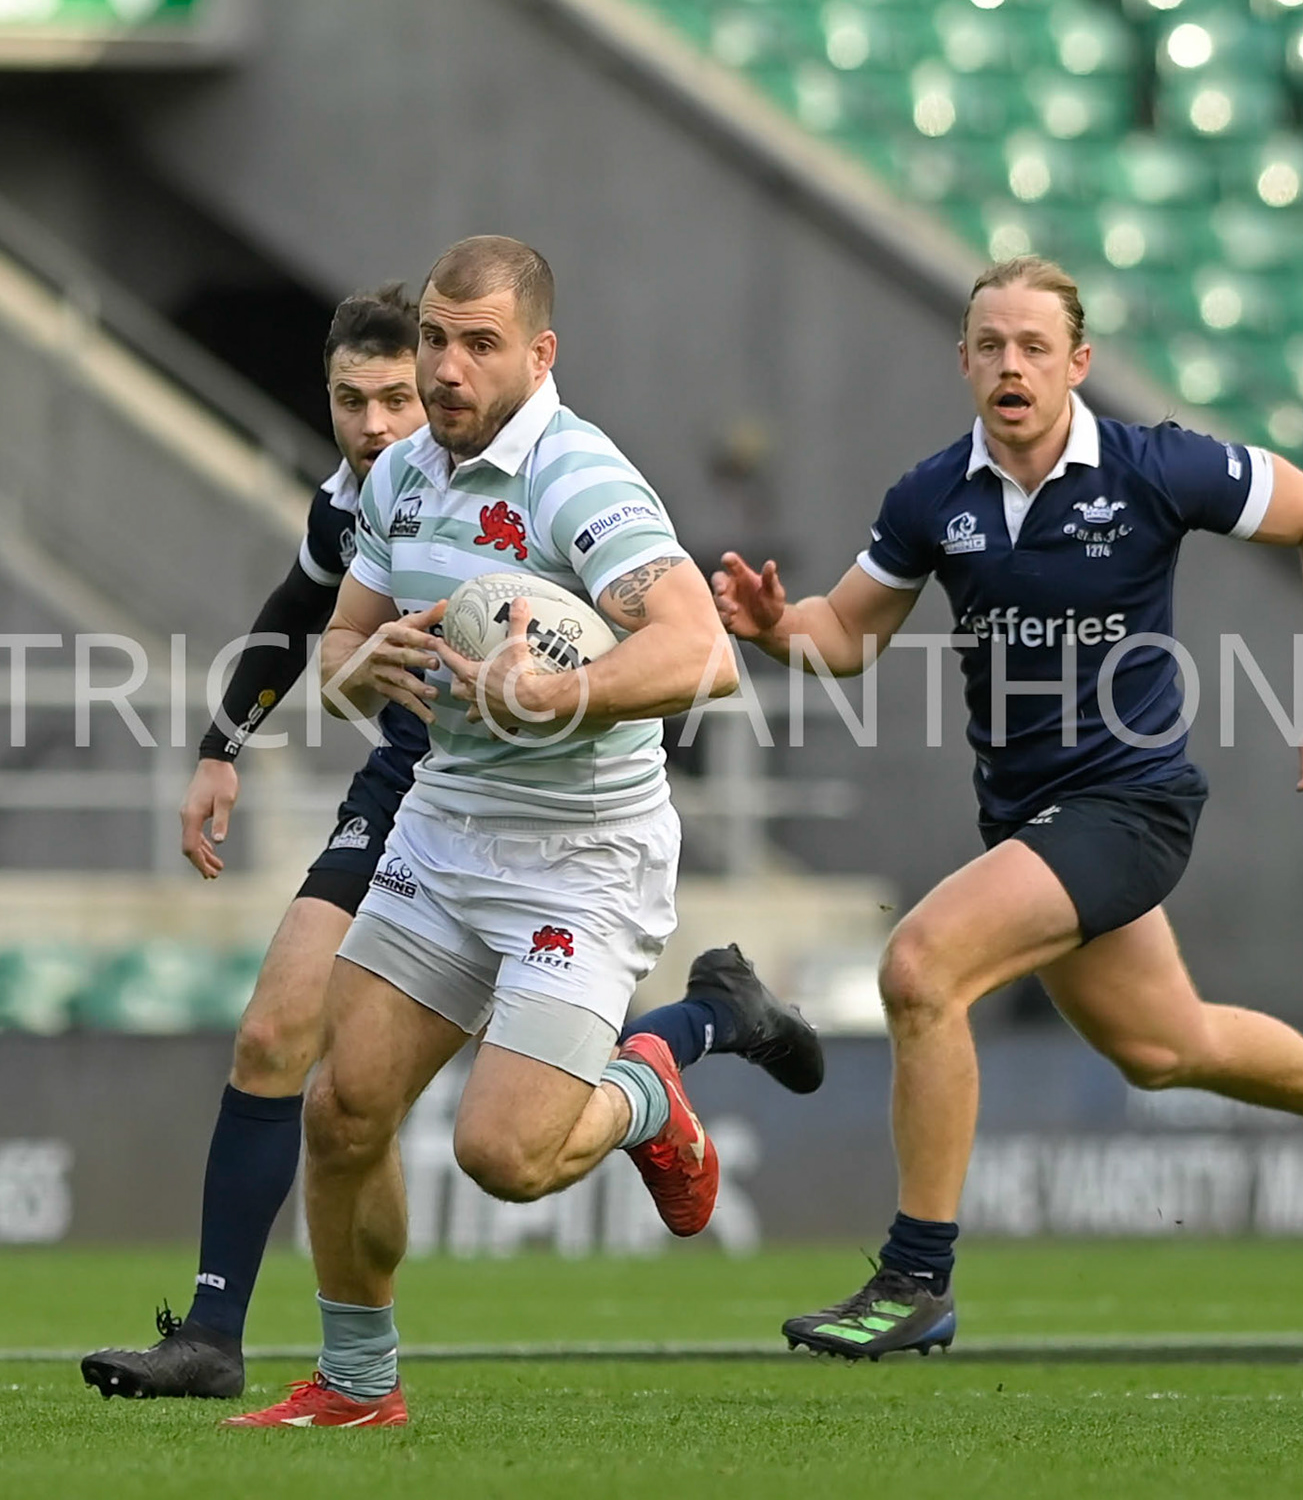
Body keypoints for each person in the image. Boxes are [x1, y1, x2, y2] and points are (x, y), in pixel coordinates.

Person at [710, 255, 1303, 1362]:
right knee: (1166, 1044)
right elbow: (848, 637)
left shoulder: (1155, 466)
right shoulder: (931, 497)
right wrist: (778, 628)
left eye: (1035, 346)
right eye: (992, 345)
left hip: (1133, 804)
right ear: (963, 360)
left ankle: (918, 1275)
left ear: (1078, 362)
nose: (1012, 364)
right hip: (1033, 822)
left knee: (921, 965)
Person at [83, 283, 815, 1403]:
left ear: (538, 352)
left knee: (505, 1155)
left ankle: (652, 1081)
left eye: (476, 343)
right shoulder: (393, 479)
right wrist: (345, 673)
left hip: (579, 849)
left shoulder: (579, 476)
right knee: (340, 1106)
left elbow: (706, 655)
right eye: (434, 340)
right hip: (442, 813)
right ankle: (354, 1383)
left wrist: (562, 688)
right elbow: (325, 630)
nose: (439, 372)